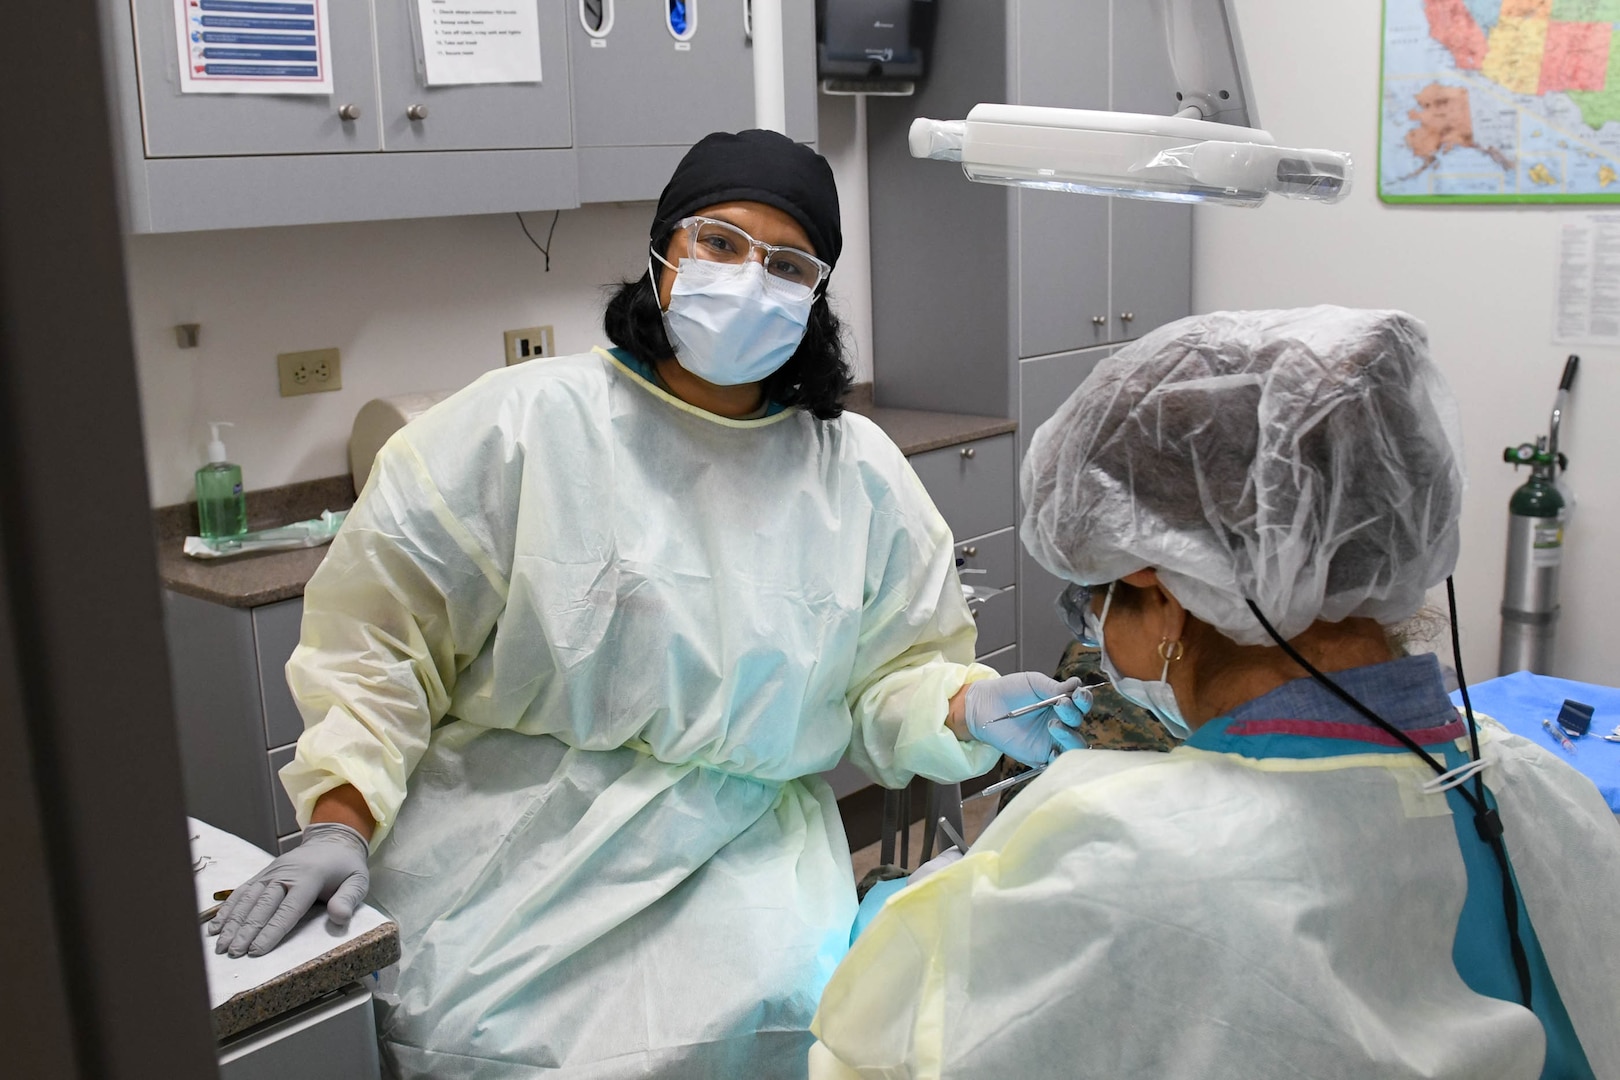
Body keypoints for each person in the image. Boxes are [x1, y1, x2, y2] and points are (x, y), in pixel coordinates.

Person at [203, 129, 1084, 1079]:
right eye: (720, 243)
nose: (749, 278)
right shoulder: (513, 430)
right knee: (493, 1047)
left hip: (745, 863)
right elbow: (378, 648)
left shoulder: (857, 474)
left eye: (787, 263)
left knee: (787, 1022)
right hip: (511, 851)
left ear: (818, 293)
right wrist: (340, 819)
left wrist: (964, 705)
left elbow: (891, 677)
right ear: (663, 254)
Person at [809, 307, 1620, 1079]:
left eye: (1090, 599)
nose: (1093, 635)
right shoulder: (1544, 792)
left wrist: (916, 913)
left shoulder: (1129, 853)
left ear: (1159, 591)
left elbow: (884, 1045)